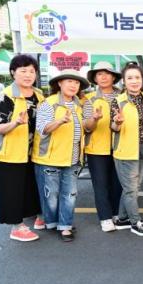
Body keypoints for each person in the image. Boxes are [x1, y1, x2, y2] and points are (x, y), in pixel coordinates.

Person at [32, 69, 89, 242]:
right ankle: (52, 222)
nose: (73, 85)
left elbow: (86, 128)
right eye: (69, 81)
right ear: (59, 83)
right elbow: (42, 129)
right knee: (51, 196)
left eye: (76, 82)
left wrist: (94, 119)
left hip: (73, 158)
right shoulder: (48, 103)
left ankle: (65, 226)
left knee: (70, 194)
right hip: (49, 159)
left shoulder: (79, 105)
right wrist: (59, 121)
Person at [0, 55, 44, 241]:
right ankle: (16, 227)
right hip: (10, 152)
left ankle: (36, 216)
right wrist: (15, 123)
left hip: (32, 152)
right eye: (23, 71)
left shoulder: (39, 95)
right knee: (12, 190)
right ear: (13, 73)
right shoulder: (5, 96)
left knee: (31, 186)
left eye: (31, 71)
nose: (28, 75)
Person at [111, 62, 143, 237]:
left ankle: (122, 219)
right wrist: (118, 122)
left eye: (137, 77)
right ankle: (135, 222)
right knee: (131, 189)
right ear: (124, 81)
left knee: (133, 187)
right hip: (126, 150)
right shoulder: (118, 101)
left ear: (142, 79)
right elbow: (114, 127)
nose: (134, 81)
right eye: (130, 78)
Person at [83, 61, 123, 232]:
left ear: (113, 77)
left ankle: (115, 213)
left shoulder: (123, 96)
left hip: (121, 146)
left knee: (118, 183)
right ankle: (105, 217)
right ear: (95, 78)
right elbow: (86, 126)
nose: (104, 77)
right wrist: (94, 119)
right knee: (100, 184)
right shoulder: (89, 99)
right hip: (96, 148)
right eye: (99, 74)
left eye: (107, 73)